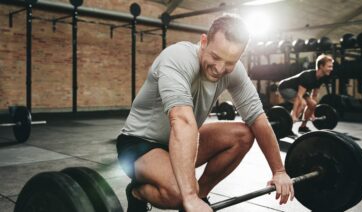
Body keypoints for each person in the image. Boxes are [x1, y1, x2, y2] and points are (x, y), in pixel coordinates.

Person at [117, 14, 294, 212]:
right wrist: (188, 196)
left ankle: (201, 195)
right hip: (139, 145)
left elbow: (258, 118)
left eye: (229, 62)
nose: (219, 68)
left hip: (178, 142)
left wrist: (279, 171)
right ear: (203, 42)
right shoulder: (178, 58)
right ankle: (137, 193)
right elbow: (182, 120)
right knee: (179, 194)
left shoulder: (234, 71)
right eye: (216, 57)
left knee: (243, 135)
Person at [278, 54, 334, 133]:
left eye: (331, 66)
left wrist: (312, 112)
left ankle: (303, 126)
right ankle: (288, 127)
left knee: (313, 103)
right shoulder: (308, 77)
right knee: (302, 103)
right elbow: (299, 96)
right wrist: (294, 115)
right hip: (285, 87)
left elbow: (314, 95)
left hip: (296, 90)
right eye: (329, 66)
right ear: (321, 66)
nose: (331, 69)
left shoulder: (321, 78)